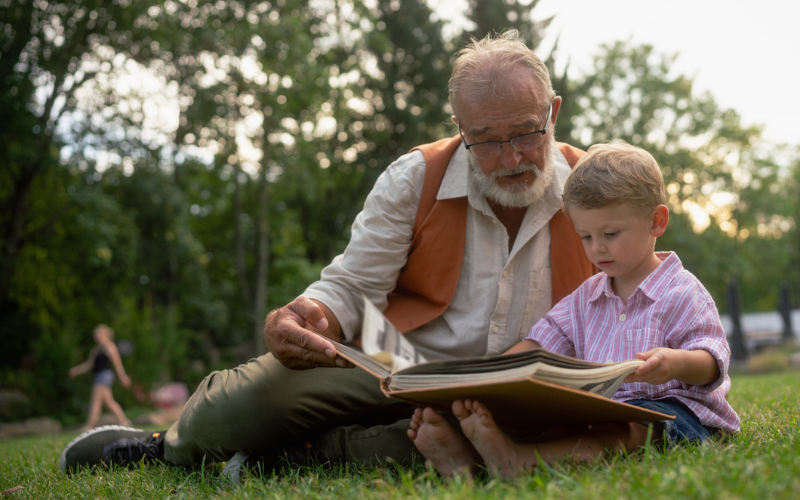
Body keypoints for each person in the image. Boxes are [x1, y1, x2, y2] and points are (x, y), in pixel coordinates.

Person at [58, 30, 596, 474]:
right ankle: (169, 447)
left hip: (524, 396)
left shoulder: (598, 186)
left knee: (464, 443)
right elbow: (353, 286)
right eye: (486, 140)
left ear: (552, 112)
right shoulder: (415, 179)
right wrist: (313, 315)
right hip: (400, 366)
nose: (509, 158)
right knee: (257, 398)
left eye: (526, 133)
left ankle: (297, 458)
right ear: (460, 128)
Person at [407, 142, 741, 478]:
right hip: (603, 414)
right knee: (559, 425)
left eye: (610, 233)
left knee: (630, 428)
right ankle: (471, 461)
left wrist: (675, 363)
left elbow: (713, 361)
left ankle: (518, 462)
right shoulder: (587, 297)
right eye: (585, 236)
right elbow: (539, 343)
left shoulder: (682, 291)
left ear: (656, 221)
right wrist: (488, 378)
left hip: (673, 415)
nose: (597, 248)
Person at [68, 324, 133, 431]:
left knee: (96, 401)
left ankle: (89, 426)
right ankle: (124, 421)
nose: (96, 336)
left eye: (98, 333)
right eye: (95, 334)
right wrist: (76, 370)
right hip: (98, 376)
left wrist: (123, 377)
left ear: (105, 334)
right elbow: (89, 364)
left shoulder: (110, 347)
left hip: (105, 376)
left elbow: (117, 364)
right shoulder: (96, 349)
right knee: (109, 402)